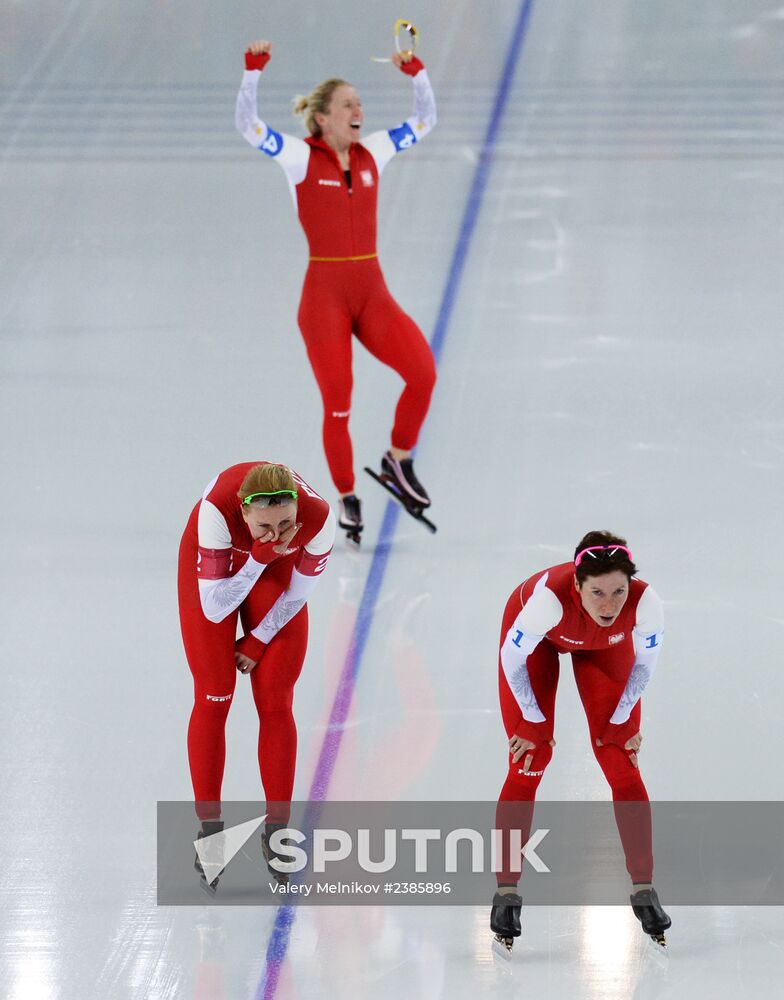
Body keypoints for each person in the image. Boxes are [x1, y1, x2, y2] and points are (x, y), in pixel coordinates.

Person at [235, 38, 438, 542]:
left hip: (372, 292)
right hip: (323, 299)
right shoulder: (299, 158)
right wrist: (252, 72)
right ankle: (347, 496)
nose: (359, 111)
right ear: (322, 118)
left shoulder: (374, 152)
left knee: (423, 373)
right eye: (348, 104)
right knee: (339, 404)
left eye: (360, 103)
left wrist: (417, 72)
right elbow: (248, 127)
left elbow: (425, 119)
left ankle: (398, 458)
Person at [491, 531, 672, 952]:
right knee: (527, 760)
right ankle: (505, 893)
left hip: (601, 650)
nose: (609, 605)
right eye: (597, 593)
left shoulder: (646, 604)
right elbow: (512, 656)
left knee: (621, 760)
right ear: (577, 586)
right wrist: (532, 719)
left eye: (618, 592)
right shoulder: (547, 602)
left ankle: (644, 888)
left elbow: (645, 665)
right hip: (535, 647)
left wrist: (622, 717)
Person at [177, 461, 335, 888]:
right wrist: (254, 561)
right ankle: (209, 831)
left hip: (273, 570)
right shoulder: (216, 513)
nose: (277, 533)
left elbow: (300, 593)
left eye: (286, 524)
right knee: (215, 693)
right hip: (221, 568)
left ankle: (277, 831)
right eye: (264, 525)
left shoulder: (319, 518)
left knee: (276, 699)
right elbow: (214, 608)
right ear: (244, 514)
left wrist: (260, 638)